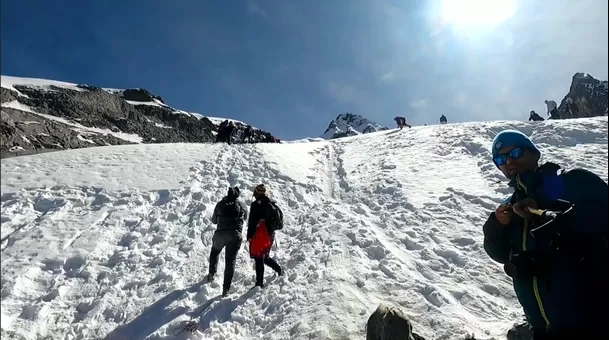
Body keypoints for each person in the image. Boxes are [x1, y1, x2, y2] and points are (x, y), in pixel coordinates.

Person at [482, 129, 608, 339]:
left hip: (595, 320)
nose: (508, 162)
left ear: (534, 153)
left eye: (515, 153)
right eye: (501, 159)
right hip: (542, 328)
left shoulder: (568, 181)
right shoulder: (509, 207)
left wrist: (547, 211)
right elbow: (499, 253)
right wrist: (497, 225)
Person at [208, 186, 248, 296]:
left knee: (215, 251)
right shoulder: (241, 205)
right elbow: (245, 218)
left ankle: (212, 273)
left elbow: (214, 221)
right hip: (235, 235)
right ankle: (226, 289)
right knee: (230, 260)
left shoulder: (220, 204)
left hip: (220, 234)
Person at [247, 184, 283, 288]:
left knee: (259, 258)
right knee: (265, 256)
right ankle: (278, 269)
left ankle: (259, 283)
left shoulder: (255, 205)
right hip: (270, 235)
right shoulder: (269, 203)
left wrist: (249, 236)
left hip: (259, 235)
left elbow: (252, 222)